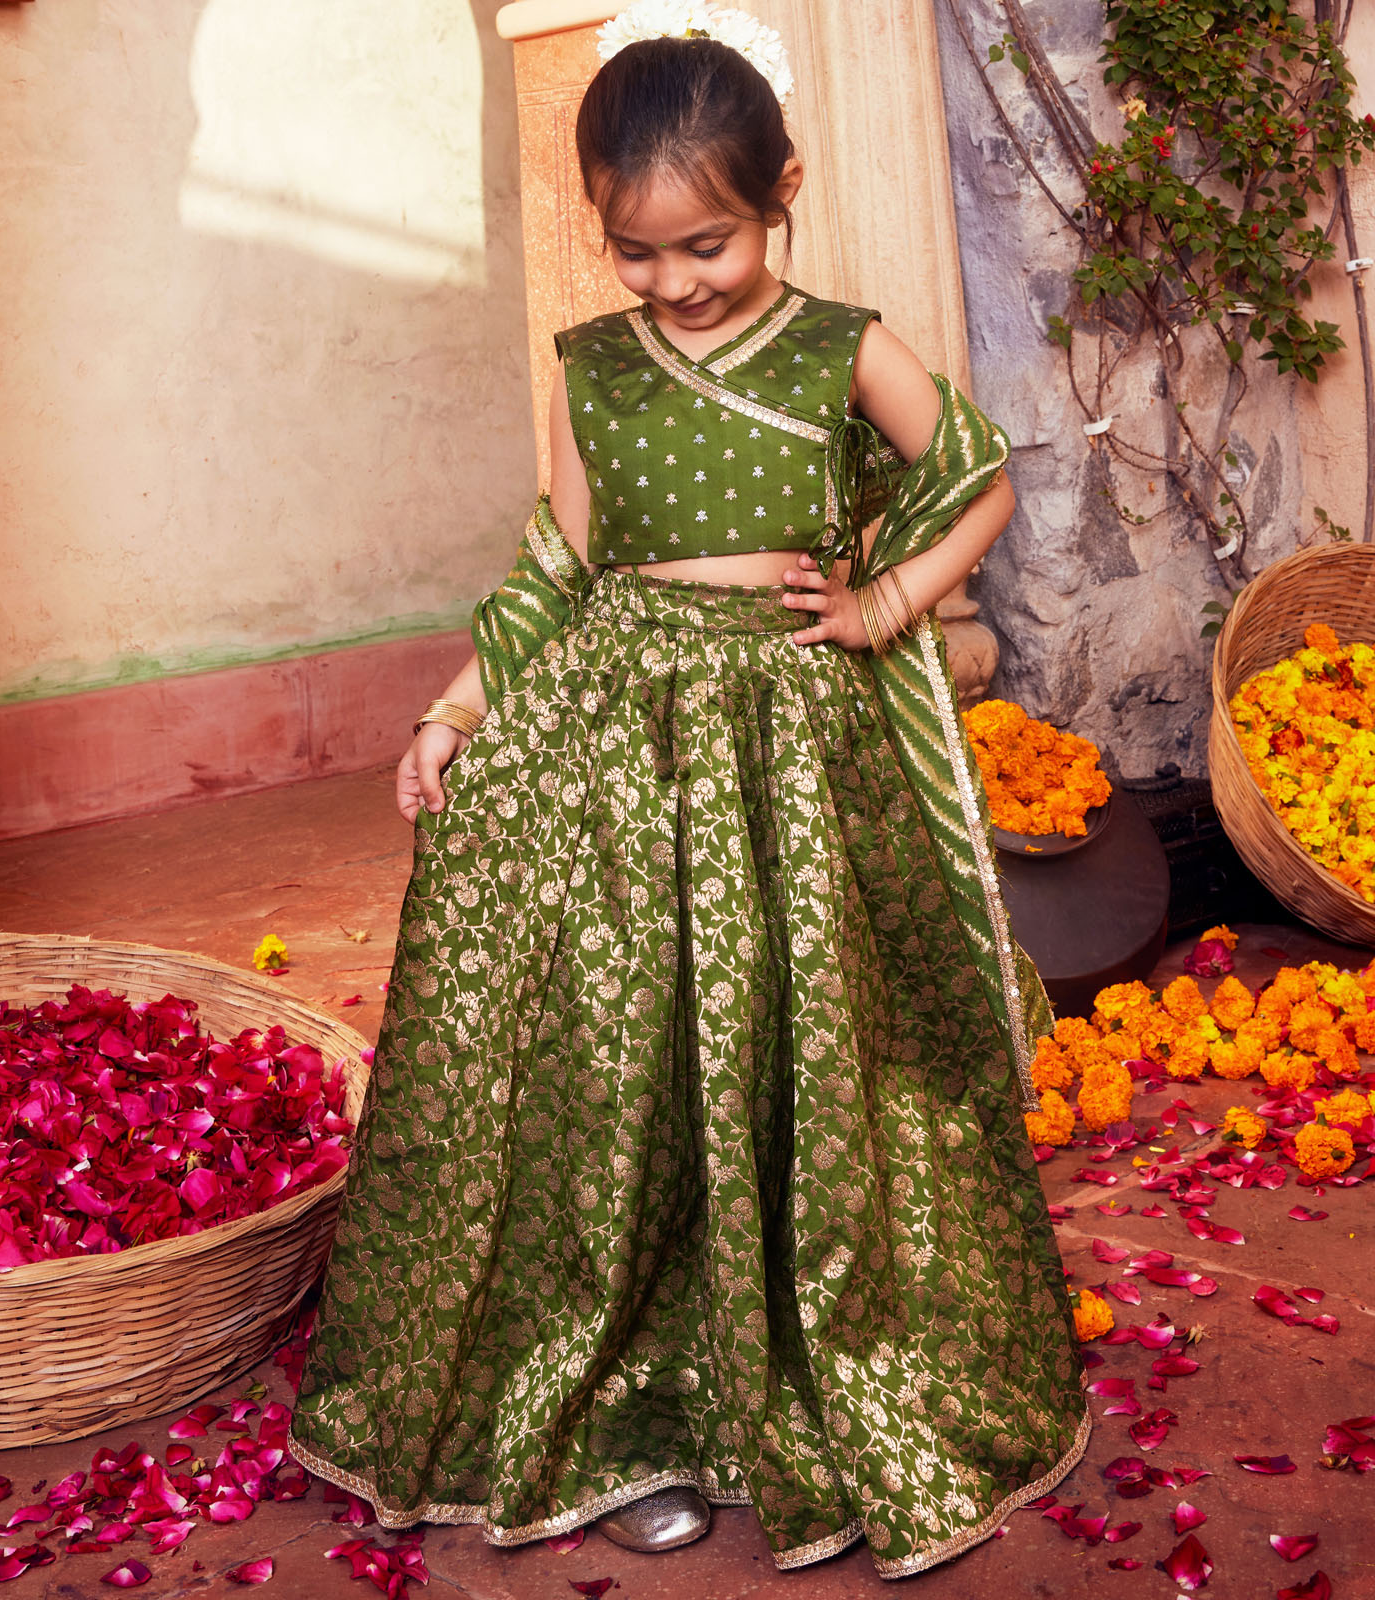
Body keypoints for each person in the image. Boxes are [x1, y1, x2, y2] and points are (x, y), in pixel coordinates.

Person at [288, 3, 1090, 1579]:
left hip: (793, 756)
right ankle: (627, 1411)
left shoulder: (840, 340)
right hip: (615, 750)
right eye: (636, 252)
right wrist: (455, 711)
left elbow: (978, 476)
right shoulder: (595, 366)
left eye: (706, 243)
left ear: (781, 187)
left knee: (801, 1050)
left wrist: (885, 604)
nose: (673, 282)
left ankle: (810, 1377)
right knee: (624, 1059)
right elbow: (557, 563)